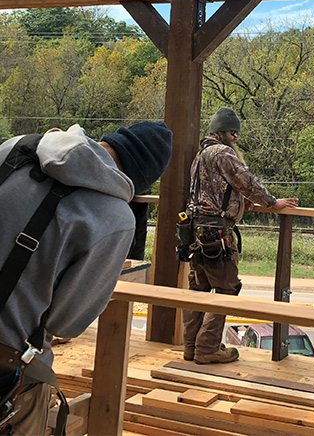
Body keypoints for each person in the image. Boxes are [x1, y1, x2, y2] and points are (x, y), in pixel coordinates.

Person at [0, 121, 172, 435]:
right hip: (5, 361)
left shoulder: (19, 148)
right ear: (142, 179)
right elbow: (65, 322)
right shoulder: (115, 217)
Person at [182, 107, 298, 365]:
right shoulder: (223, 154)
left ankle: (190, 346)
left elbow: (217, 190)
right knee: (226, 288)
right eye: (233, 132)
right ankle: (207, 347)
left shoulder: (200, 156)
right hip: (217, 232)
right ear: (226, 133)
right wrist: (271, 202)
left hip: (195, 231)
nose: (236, 137)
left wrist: (242, 202)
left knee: (198, 289)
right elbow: (247, 182)